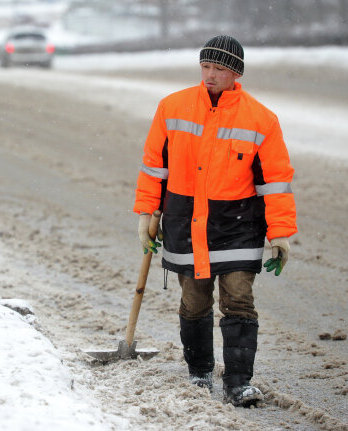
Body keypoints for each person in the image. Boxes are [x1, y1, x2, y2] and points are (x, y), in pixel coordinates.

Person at [134, 35, 297, 407]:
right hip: (184, 220)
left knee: (239, 300)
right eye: (205, 66)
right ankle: (200, 374)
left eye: (219, 68)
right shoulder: (171, 107)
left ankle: (238, 382)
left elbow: (276, 183)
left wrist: (281, 234)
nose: (210, 74)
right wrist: (146, 212)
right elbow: (153, 167)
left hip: (238, 224)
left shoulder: (261, 119)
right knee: (194, 301)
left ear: (235, 72)